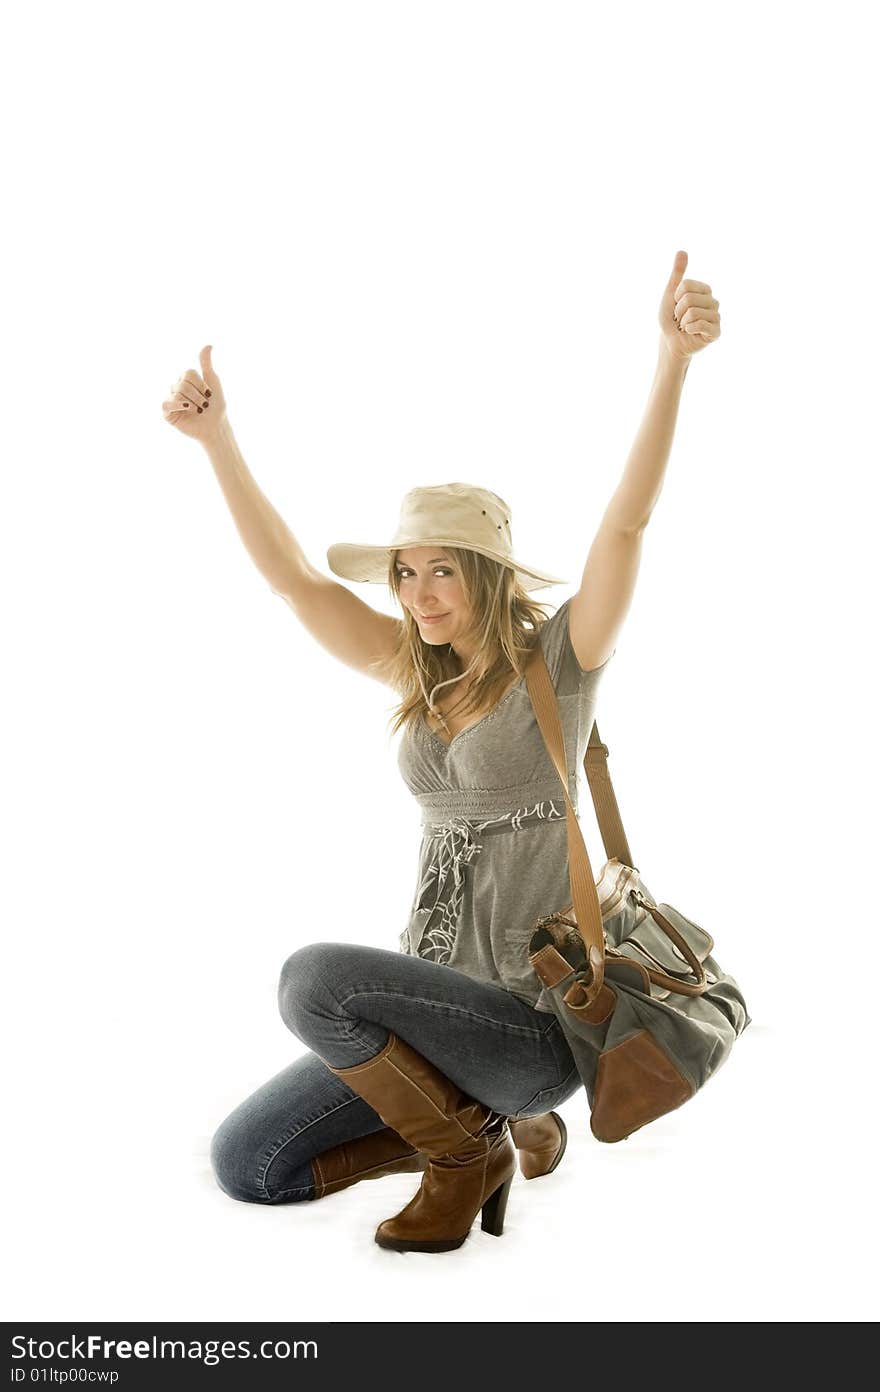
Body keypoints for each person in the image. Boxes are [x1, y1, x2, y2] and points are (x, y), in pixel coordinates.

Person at [161, 257, 714, 1252]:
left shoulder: (562, 661)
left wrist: (670, 360)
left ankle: (468, 1149)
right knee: (251, 1164)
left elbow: (624, 523)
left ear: (488, 577)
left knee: (312, 979)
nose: (417, 593)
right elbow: (295, 584)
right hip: (426, 1015)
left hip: (531, 1027)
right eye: (406, 572)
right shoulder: (415, 675)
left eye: (441, 571)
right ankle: (482, 1140)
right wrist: (216, 441)